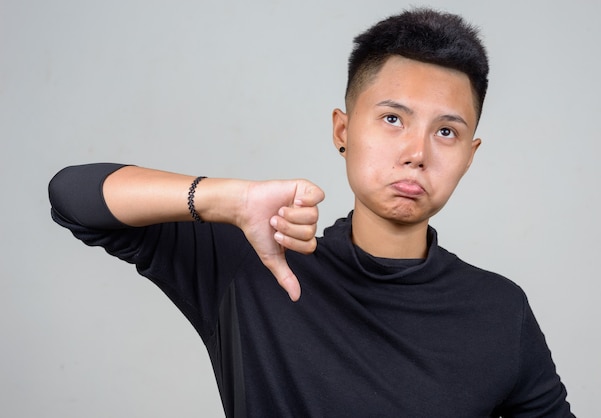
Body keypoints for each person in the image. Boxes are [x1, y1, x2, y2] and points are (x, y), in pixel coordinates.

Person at [48, 7, 574, 417]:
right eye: (393, 119)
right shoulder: (259, 264)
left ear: (469, 155)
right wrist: (226, 199)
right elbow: (74, 196)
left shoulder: (500, 311)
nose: (417, 151)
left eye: (446, 132)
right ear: (343, 131)